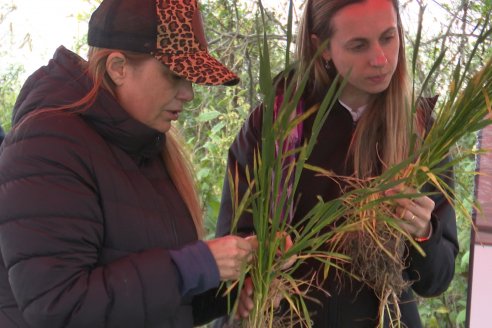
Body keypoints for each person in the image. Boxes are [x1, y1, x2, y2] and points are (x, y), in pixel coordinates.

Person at [0, 0, 257, 327]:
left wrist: (234, 285)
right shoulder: (48, 145)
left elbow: (159, 301)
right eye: (175, 75)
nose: (188, 94)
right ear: (118, 67)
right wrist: (194, 265)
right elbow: (59, 307)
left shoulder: (145, 147)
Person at [216, 0, 459, 327]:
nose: (380, 59)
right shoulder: (276, 125)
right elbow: (230, 251)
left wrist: (423, 232)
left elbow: (437, 279)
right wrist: (252, 276)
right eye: (358, 45)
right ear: (322, 48)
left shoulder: (419, 129)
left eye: (388, 37)